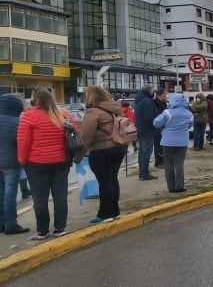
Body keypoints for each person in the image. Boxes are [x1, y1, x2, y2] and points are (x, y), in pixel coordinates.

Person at [17, 88, 74, 239]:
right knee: (60, 196)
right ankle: (60, 228)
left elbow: (23, 142)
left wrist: (22, 161)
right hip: (61, 161)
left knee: (39, 198)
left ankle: (42, 231)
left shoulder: (28, 116)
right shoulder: (62, 114)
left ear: (35, 99)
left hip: (36, 163)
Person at [80, 86, 128, 224]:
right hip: (118, 147)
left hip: (101, 150)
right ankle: (115, 211)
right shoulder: (115, 108)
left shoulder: (93, 112)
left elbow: (86, 135)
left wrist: (78, 154)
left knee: (104, 182)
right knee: (112, 179)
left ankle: (105, 213)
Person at [0, 94, 30, 235]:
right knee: (10, 194)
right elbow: (21, 142)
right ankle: (11, 224)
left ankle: (1, 224)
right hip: (11, 163)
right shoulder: (18, 122)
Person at [153, 93, 193, 193]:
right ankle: (180, 185)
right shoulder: (189, 113)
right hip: (182, 142)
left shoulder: (167, 112)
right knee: (179, 164)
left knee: (168, 164)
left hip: (167, 141)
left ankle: (171, 187)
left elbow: (156, 123)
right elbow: (190, 125)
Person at [134, 85, 158, 181]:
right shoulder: (148, 101)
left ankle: (142, 173)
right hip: (147, 130)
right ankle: (145, 174)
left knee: (142, 152)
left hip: (140, 129)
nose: (154, 92)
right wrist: (156, 123)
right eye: (153, 91)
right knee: (146, 153)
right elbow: (148, 117)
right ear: (149, 91)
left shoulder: (139, 101)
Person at [153, 89, 167, 168]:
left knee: (162, 144)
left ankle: (162, 160)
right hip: (158, 126)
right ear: (161, 95)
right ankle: (158, 162)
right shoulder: (155, 102)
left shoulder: (164, 102)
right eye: (165, 94)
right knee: (158, 144)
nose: (166, 96)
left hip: (163, 126)